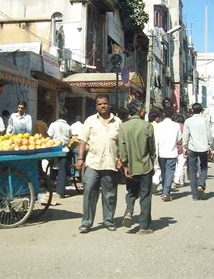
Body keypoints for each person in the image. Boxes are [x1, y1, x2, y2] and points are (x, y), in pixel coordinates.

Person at [76, 94, 122, 233]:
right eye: (100, 104)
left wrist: (121, 159)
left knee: (110, 194)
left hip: (110, 163)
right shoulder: (90, 121)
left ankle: (108, 220)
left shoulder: (118, 122)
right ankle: (86, 222)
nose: (103, 106)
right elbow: (82, 141)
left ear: (109, 105)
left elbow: (122, 143)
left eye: (105, 103)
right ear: (96, 106)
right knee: (89, 192)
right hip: (92, 163)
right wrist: (80, 159)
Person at [119, 100, 156, 234]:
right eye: (144, 109)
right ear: (140, 110)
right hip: (145, 166)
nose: (145, 111)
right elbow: (152, 148)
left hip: (130, 167)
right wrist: (152, 161)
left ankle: (129, 211)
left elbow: (122, 148)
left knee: (132, 192)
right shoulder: (147, 126)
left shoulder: (123, 127)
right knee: (145, 196)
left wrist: (125, 165)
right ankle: (143, 226)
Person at [183, 103, 214, 200]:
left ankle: (195, 195)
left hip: (192, 148)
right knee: (204, 167)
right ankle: (201, 184)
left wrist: (185, 147)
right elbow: (209, 134)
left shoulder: (188, 121)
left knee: (192, 171)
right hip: (203, 148)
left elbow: (186, 136)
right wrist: (210, 145)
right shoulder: (205, 120)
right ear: (201, 110)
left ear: (192, 110)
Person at [155, 107, 181, 201]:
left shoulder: (159, 125)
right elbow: (179, 139)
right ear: (173, 115)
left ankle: (165, 191)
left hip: (161, 153)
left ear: (164, 115)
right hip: (172, 152)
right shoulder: (176, 125)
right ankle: (166, 192)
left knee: (163, 172)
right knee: (170, 172)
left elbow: (155, 140)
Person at [47, 108, 72, 200]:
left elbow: (49, 135)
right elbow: (70, 137)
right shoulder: (69, 127)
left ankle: (49, 186)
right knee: (62, 170)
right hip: (64, 150)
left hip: (54, 149)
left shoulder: (53, 125)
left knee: (51, 167)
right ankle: (60, 192)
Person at [173, 114, 187, 187]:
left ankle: (176, 178)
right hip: (182, 148)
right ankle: (180, 180)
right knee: (181, 165)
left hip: (173, 148)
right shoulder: (185, 127)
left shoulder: (173, 126)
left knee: (175, 165)